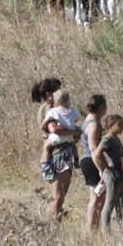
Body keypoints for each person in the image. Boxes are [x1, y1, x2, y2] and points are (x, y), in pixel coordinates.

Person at [40, 88, 81, 222]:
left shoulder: (53, 112)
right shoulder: (69, 111)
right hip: (61, 152)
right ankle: (53, 223)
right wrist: (72, 130)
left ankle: (46, 164)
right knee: (58, 196)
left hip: (62, 146)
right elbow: (55, 129)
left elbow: (45, 126)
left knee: (60, 195)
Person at [94, 114, 123, 228]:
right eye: (119, 125)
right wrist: (107, 167)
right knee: (109, 204)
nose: (122, 127)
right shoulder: (107, 139)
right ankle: (106, 231)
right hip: (112, 175)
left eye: (122, 125)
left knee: (120, 202)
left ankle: (122, 227)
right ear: (110, 125)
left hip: (120, 174)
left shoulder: (115, 138)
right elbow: (97, 155)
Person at [79, 94, 108, 231]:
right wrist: (102, 170)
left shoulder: (89, 121)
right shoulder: (94, 125)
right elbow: (93, 149)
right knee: (95, 198)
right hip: (92, 162)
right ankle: (92, 231)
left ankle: (96, 228)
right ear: (101, 107)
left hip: (90, 161)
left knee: (99, 198)